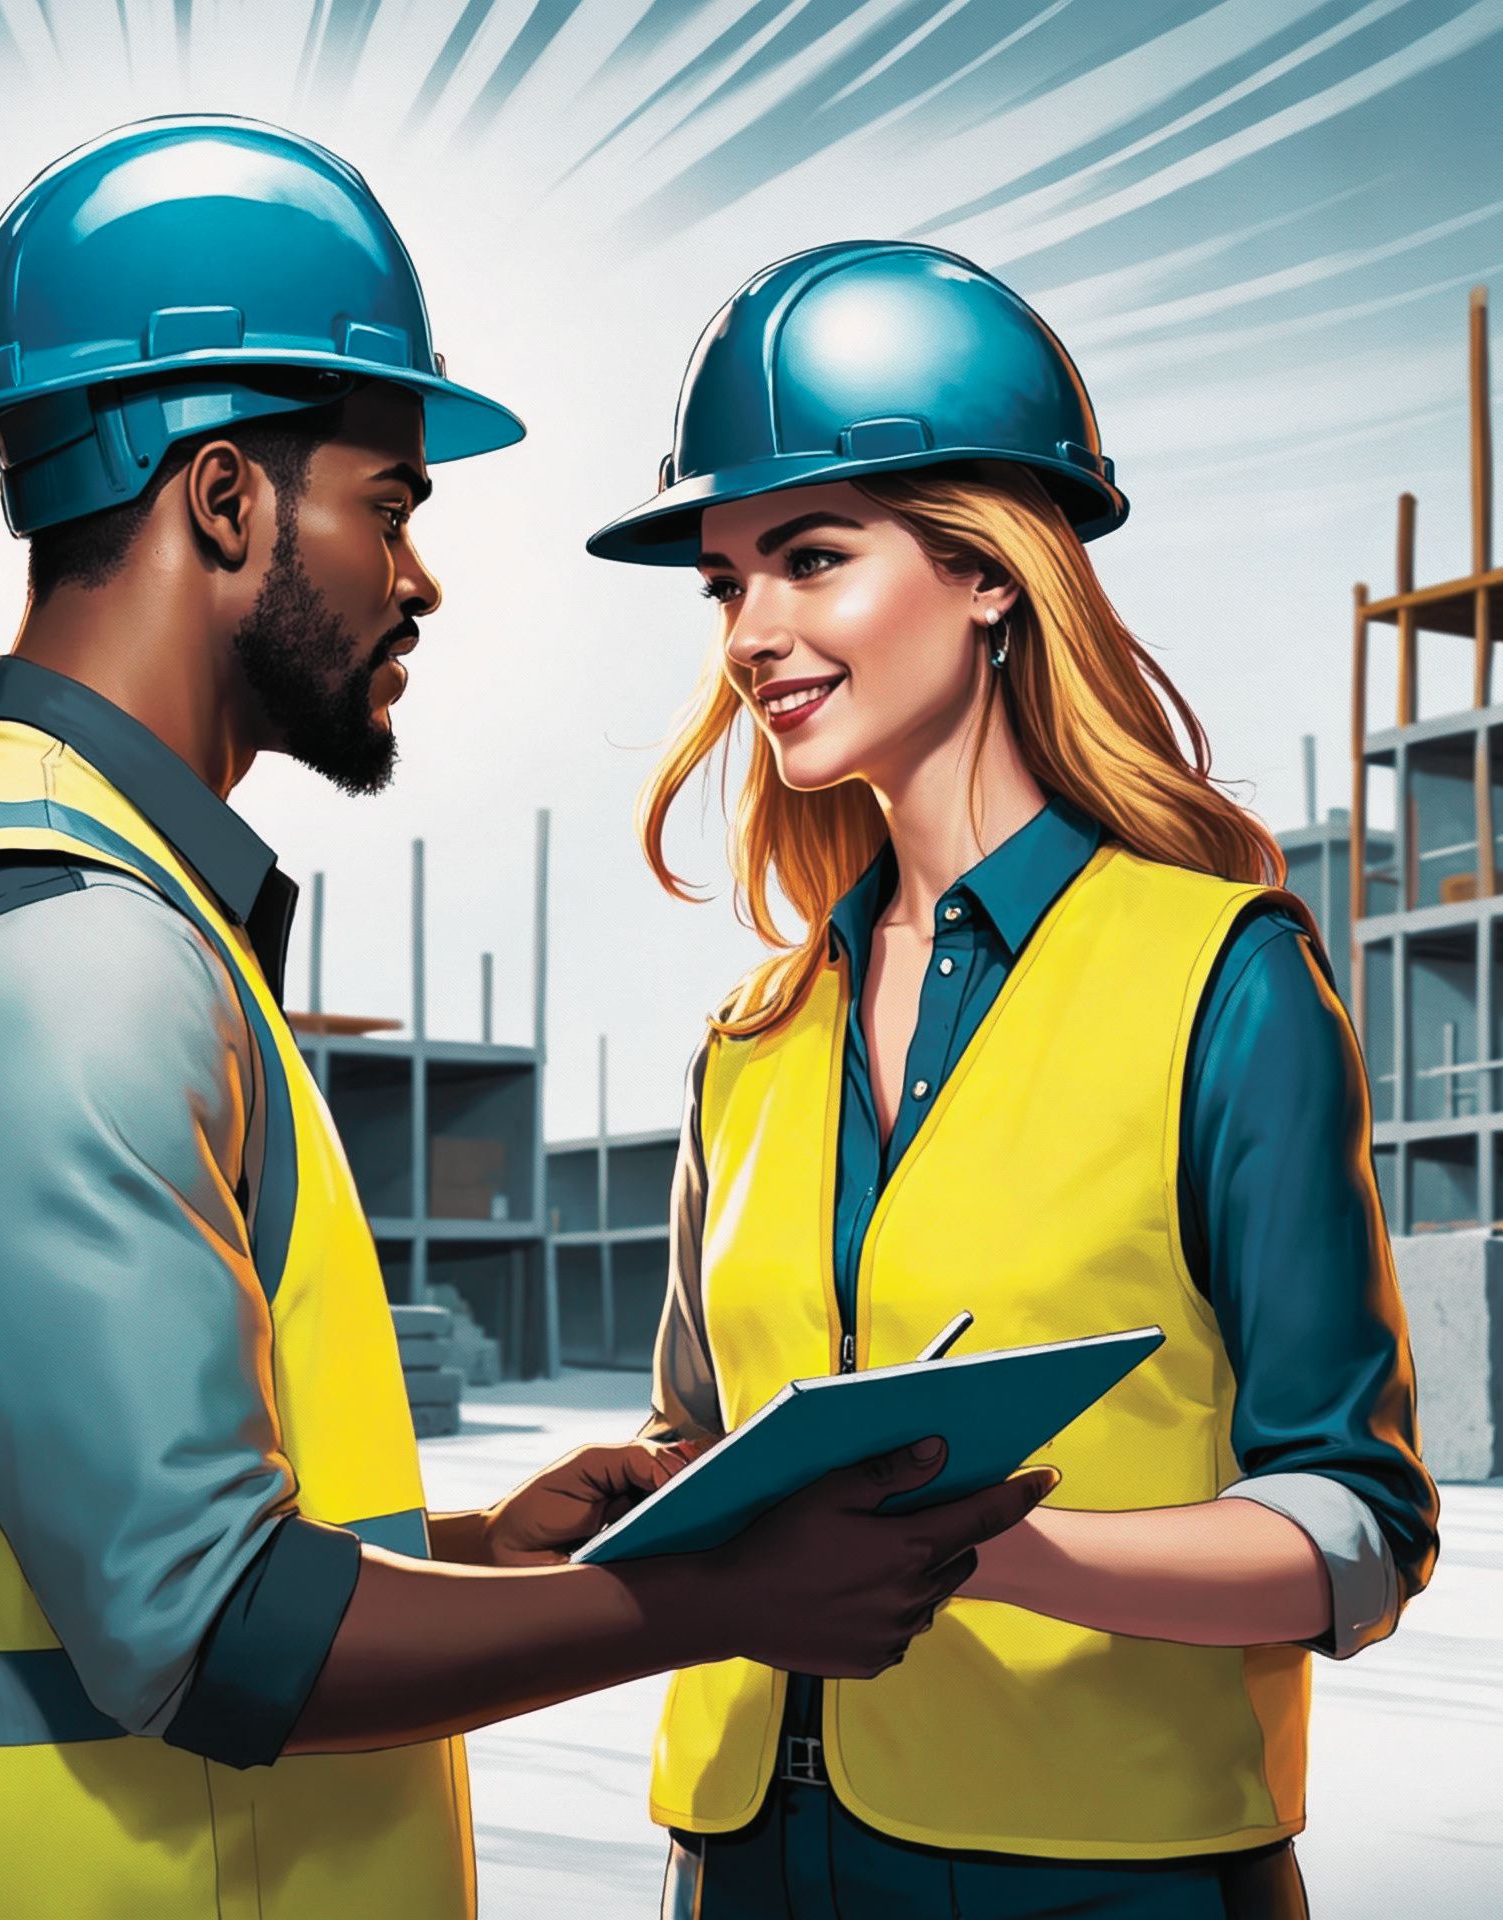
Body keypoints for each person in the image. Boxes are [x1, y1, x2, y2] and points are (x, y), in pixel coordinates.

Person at [0, 131, 1051, 1920]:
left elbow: (97, 1539)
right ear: (227, 500)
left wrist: (481, 1551)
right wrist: (717, 1603)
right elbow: (212, 1630)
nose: (421, 577)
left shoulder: (39, 886)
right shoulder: (60, 950)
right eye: (388, 506)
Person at [586, 242, 1439, 1920]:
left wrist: (1015, 1557)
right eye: (724, 582)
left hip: (1102, 1880)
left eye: (811, 559)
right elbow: (695, 1434)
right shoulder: (755, 1043)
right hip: (744, 1863)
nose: (754, 633)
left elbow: (1357, 1523)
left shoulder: (1222, 978)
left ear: (989, 573)